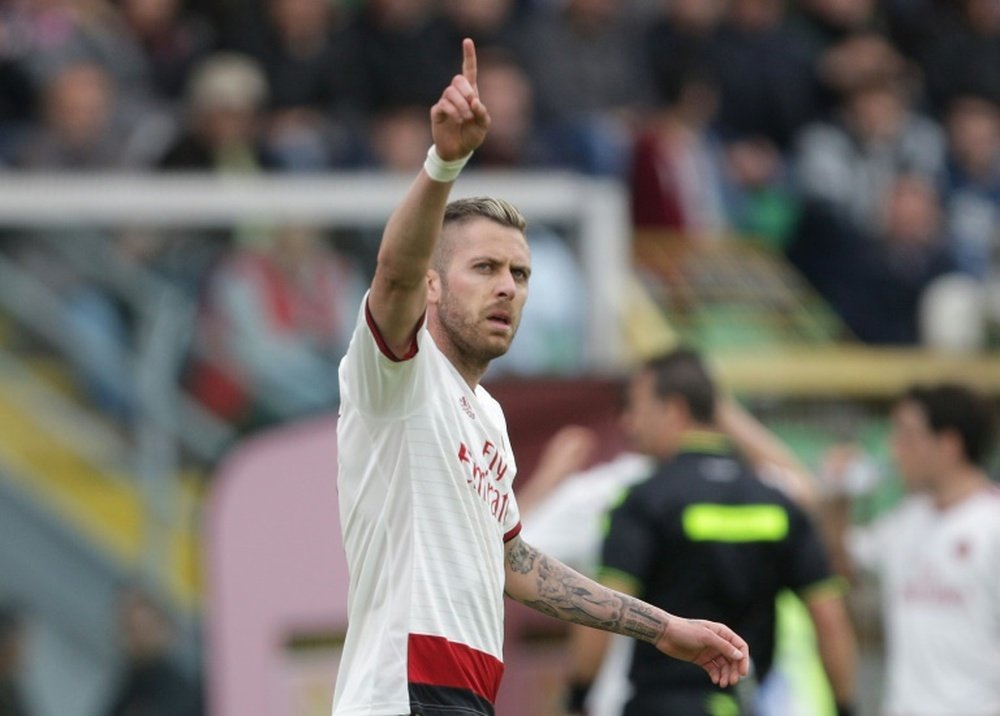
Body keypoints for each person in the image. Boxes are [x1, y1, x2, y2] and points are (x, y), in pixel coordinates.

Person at [332, 39, 749, 716]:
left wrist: (664, 628)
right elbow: (395, 273)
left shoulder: (487, 415)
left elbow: (516, 567)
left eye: (519, 274)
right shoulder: (397, 376)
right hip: (401, 689)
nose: (508, 289)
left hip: (465, 692)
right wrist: (445, 162)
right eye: (485, 269)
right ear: (433, 287)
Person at [566, 349, 857, 716]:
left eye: (637, 407)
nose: (630, 423)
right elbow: (830, 618)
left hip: (659, 705)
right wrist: (846, 707)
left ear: (673, 409)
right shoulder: (776, 501)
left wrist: (577, 697)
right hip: (745, 702)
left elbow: (604, 607)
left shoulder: (642, 500)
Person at [823, 383, 1000, 716]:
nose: (894, 450)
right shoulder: (905, 520)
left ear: (948, 444)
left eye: (906, 436)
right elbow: (839, 568)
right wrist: (838, 497)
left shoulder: (993, 525)